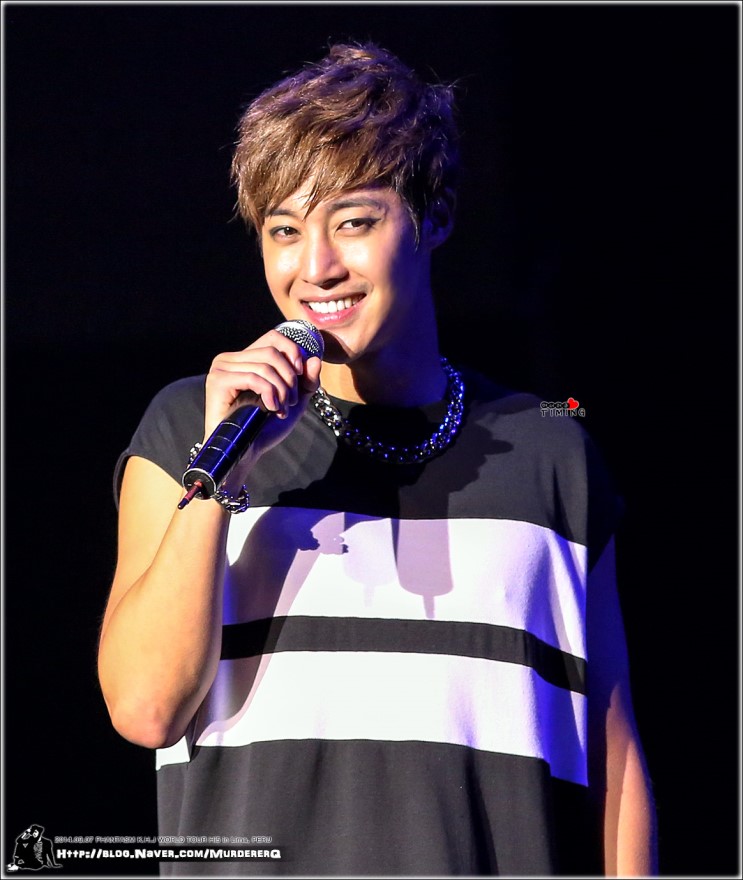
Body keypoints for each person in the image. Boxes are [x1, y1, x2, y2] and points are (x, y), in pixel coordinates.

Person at [98, 41, 658, 876]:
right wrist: (222, 479)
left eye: (353, 221)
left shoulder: (549, 448)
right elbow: (145, 709)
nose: (315, 267)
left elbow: (612, 761)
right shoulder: (194, 423)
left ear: (435, 216)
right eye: (283, 230)